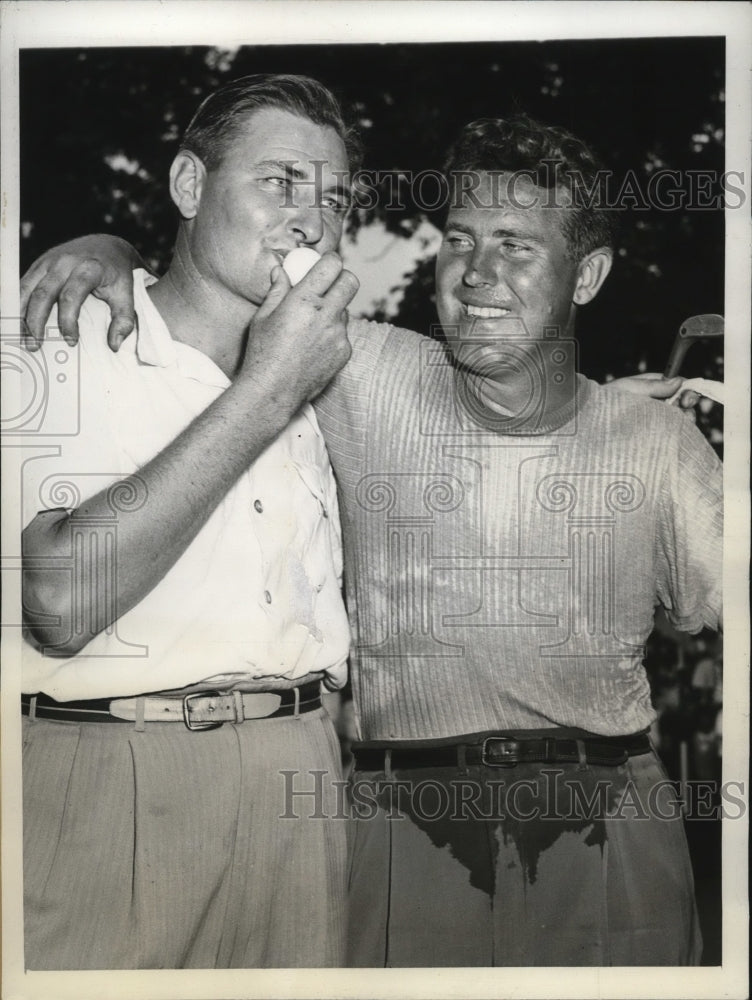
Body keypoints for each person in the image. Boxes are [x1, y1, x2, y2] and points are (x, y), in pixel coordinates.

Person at [19, 107, 718, 967]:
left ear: (588, 275)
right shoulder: (361, 367)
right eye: (460, 239)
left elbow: (713, 612)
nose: (477, 273)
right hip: (402, 827)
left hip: (610, 817)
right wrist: (107, 252)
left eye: (516, 245)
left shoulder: (658, 439)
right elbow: (219, 287)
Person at [17, 74, 360, 969]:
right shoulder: (56, 342)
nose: (313, 219)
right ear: (188, 186)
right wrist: (268, 389)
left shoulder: (334, 370)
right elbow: (58, 600)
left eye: (335, 198)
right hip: (112, 779)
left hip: (302, 783)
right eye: (280, 181)